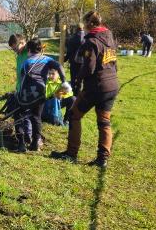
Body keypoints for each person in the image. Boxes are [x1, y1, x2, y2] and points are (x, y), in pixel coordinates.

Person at [51, 10, 119, 168]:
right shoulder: (110, 37)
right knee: (104, 121)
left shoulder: (92, 41)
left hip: (97, 86)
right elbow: (114, 62)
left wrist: (77, 79)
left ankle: (71, 153)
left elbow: (89, 67)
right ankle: (102, 159)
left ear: (89, 24)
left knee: (74, 115)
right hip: (112, 85)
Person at [14, 37, 64, 152]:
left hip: (26, 95)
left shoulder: (27, 62)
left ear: (29, 50)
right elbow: (59, 67)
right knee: (36, 117)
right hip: (40, 94)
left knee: (19, 116)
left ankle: (21, 144)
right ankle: (35, 143)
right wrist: (64, 80)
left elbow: (22, 81)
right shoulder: (47, 59)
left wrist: (18, 95)